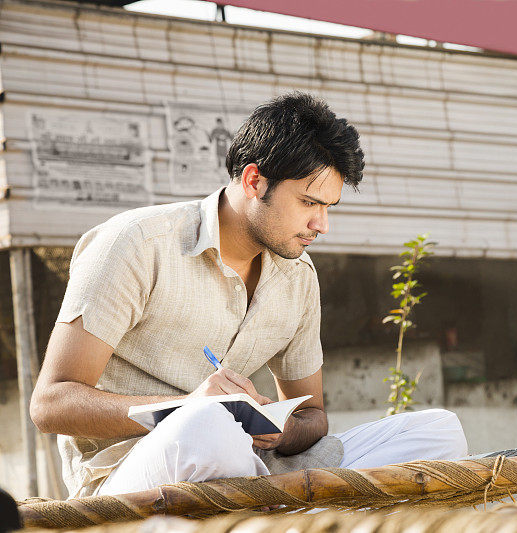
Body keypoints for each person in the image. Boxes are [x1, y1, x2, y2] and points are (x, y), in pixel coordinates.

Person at [29, 93, 467, 499]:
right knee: (206, 426)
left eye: (329, 207)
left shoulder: (298, 277)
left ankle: (281, 508)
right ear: (255, 180)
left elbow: (313, 417)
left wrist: (277, 430)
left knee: (437, 432)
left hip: (261, 466)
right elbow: (50, 404)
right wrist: (186, 407)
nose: (322, 225)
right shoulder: (137, 244)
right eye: (310, 203)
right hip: (133, 475)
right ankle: (291, 509)